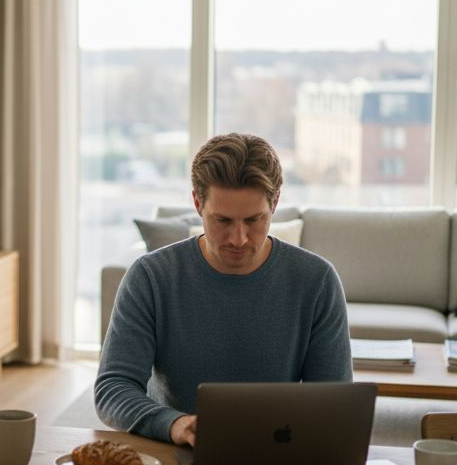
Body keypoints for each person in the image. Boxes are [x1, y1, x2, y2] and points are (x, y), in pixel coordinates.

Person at [94, 133, 351, 446]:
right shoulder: (150, 277)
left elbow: (332, 403)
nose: (238, 239)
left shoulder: (317, 281)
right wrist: (174, 424)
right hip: (177, 449)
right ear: (197, 203)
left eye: (254, 220)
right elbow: (113, 388)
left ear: (274, 204)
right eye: (223, 220)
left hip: (280, 452)